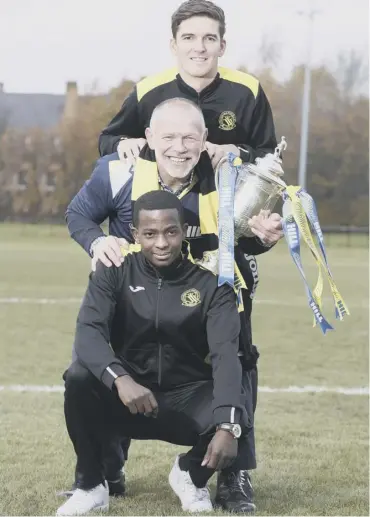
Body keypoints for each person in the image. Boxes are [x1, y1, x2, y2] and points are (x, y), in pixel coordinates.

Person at [66, 98, 282, 513]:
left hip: (210, 299)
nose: (179, 147)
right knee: (88, 372)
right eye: (168, 137)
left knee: (235, 369)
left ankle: (221, 475)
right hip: (131, 301)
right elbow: (78, 213)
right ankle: (98, 475)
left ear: (205, 140)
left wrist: (264, 236)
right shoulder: (118, 171)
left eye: (189, 137)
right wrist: (97, 242)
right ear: (149, 139)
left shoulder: (229, 175)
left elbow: (246, 233)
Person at [57, 190, 251, 516]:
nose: (161, 242)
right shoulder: (114, 271)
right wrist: (120, 378)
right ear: (135, 235)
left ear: (183, 229)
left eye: (170, 231)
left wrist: (228, 427)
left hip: (185, 398)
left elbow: (225, 355)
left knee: (236, 406)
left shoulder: (213, 284)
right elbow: (88, 333)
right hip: (128, 398)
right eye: (149, 234)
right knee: (78, 378)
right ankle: (91, 485)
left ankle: (190, 474)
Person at [98, 0, 277, 171]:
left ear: (222, 46)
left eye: (209, 38)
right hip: (162, 201)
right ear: (174, 45)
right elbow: (106, 140)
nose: (199, 47)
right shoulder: (147, 91)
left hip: (227, 200)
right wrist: (122, 143)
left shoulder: (248, 91)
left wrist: (237, 153)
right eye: (188, 37)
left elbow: (272, 157)